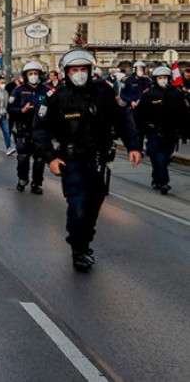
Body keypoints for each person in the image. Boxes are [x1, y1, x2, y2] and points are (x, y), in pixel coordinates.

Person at [33, 48, 142, 272]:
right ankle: (79, 250)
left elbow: (123, 119)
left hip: (99, 159)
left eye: (83, 69)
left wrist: (133, 146)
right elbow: (40, 130)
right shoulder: (57, 97)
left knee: (94, 204)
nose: (80, 73)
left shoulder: (103, 92)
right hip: (71, 161)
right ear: (67, 72)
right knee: (79, 206)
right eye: (75, 69)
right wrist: (50, 158)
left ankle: (84, 241)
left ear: (90, 70)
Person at [134, 66, 188, 194]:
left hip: (171, 133)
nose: (163, 80)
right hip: (154, 132)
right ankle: (164, 182)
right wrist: (141, 133)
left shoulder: (176, 93)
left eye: (165, 78)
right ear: (155, 79)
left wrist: (184, 131)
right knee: (159, 157)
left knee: (164, 157)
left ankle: (157, 178)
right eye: (160, 78)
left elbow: (183, 114)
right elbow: (139, 115)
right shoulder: (149, 94)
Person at [8, 61, 52, 194]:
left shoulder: (47, 91)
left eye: (35, 73)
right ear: (26, 75)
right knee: (23, 157)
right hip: (24, 129)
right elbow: (10, 109)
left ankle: (37, 183)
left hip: (41, 131)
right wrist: (22, 110)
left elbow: (54, 109)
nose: (33, 76)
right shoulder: (18, 91)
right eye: (30, 73)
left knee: (39, 159)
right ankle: (22, 178)